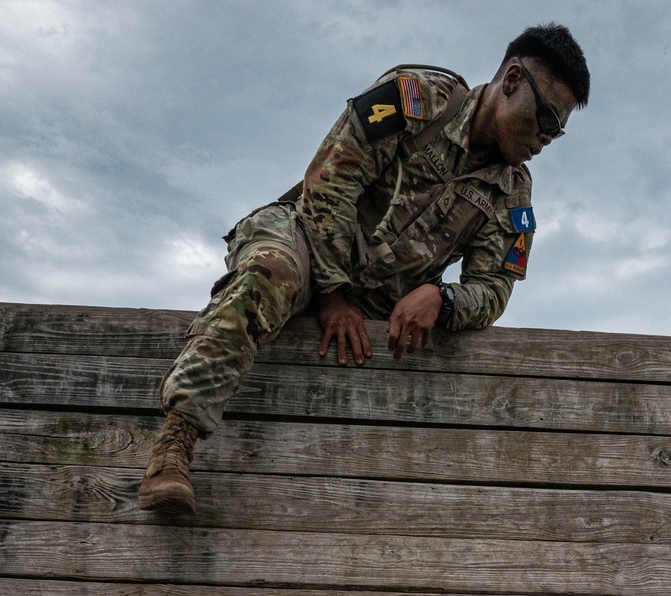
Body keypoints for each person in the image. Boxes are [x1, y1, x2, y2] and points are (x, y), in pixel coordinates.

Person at [139, 23, 590, 513]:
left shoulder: (513, 195)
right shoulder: (419, 99)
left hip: (372, 306)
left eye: (557, 130)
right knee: (270, 273)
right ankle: (173, 445)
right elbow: (332, 183)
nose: (546, 139)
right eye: (545, 117)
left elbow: (494, 289)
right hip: (305, 241)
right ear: (511, 81)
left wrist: (443, 299)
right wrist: (333, 293)